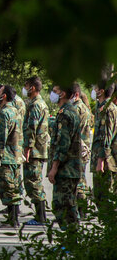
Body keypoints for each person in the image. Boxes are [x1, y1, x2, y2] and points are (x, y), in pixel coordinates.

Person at [49, 82, 88, 226]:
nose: (52, 93)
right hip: (70, 168)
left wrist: (54, 167)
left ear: (62, 94)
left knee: (64, 205)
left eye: (55, 90)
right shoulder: (69, 111)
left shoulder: (65, 113)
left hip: (66, 169)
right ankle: (70, 241)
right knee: (66, 204)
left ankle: (71, 241)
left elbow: (62, 144)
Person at [21, 75, 50, 225]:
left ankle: (41, 216)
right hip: (38, 149)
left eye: (26, 86)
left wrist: (27, 147)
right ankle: (41, 215)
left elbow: (31, 128)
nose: (25, 89)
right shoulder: (40, 103)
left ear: (32, 87)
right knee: (34, 181)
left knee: (33, 182)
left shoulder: (35, 105)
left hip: (34, 150)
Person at [0, 85, 23, 229]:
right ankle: (13, 218)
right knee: (13, 186)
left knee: (7, 187)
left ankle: (13, 220)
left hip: (6, 156)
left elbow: (1, 136)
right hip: (15, 155)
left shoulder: (5, 112)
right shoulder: (15, 111)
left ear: (4, 96)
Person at [91, 80, 117, 200]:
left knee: (104, 196)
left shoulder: (108, 109)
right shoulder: (101, 108)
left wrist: (100, 160)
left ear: (101, 91)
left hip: (106, 161)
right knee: (99, 195)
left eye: (96, 88)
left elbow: (106, 136)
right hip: (101, 158)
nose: (93, 90)